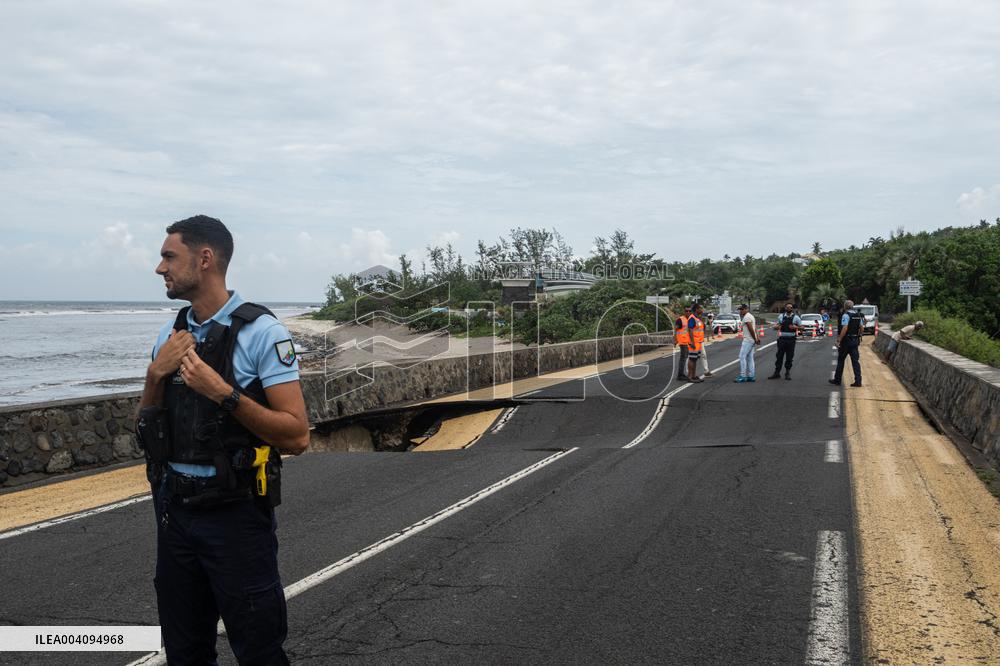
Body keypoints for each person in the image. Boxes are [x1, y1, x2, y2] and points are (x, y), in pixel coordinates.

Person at [137, 215, 310, 664]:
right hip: (175, 514)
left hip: (235, 516)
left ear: (206, 259)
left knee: (258, 649)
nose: (160, 268)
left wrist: (223, 393)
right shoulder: (169, 335)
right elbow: (147, 429)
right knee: (184, 650)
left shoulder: (262, 332)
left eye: (169, 256)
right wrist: (156, 376)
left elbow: (297, 435)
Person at [830, 299, 863, 387]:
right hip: (855, 340)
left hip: (846, 341)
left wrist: (839, 340)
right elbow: (862, 328)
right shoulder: (858, 315)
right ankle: (858, 381)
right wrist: (858, 335)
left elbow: (845, 328)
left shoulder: (846, 315)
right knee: (855, 361)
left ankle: (837, 380)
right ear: (852, 306)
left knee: (841, 360)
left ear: (845, 307)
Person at [768, 303, 801, 380]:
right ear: (785, 308)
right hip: (782, 339)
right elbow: (776, 326)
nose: (789, 308)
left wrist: (795, 327)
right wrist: (777, 327)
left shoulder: (796, 318)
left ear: (792, 309)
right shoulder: (781, 316)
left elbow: (802, 327)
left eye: (791, 307)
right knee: (779, 356)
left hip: (791, 340)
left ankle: (787, 372)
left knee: (789, 357)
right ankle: (777, 373)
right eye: (787, 307)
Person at [734, 304, 759, 382]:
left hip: (748, 340)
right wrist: (757, 338)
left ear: (746, 309)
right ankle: (751, 376)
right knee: (750, 358)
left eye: (742, 309)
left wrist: (755, 338)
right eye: (740, 309)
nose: (740, 311)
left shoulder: (747, 317)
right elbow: (755, 328)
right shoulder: (750, 316)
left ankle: (743, 376)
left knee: (742, 356)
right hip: (751, 339)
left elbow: (751, 329)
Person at [686, 303, 706, 382]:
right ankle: (690, 376)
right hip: (694, 342)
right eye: (700, 308)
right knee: (692, 359)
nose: (702, 310)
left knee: (694, 359)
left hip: (698, 342)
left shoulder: (697, 318)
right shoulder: (692, 318)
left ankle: (694, 376)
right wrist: (692, 342)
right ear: (696, 309)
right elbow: (690, 330)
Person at [674, 305, 692, 380]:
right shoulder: (680, 319)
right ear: (684, 312)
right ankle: (680, 375)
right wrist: (675, 340)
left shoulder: (690, 319)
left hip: (687, 342)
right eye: (686, 311)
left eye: (689, 311)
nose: (688, 312)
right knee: (683, 358)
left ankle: (682, 374)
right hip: (682, 342)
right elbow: (675, 329)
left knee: (684, 358)